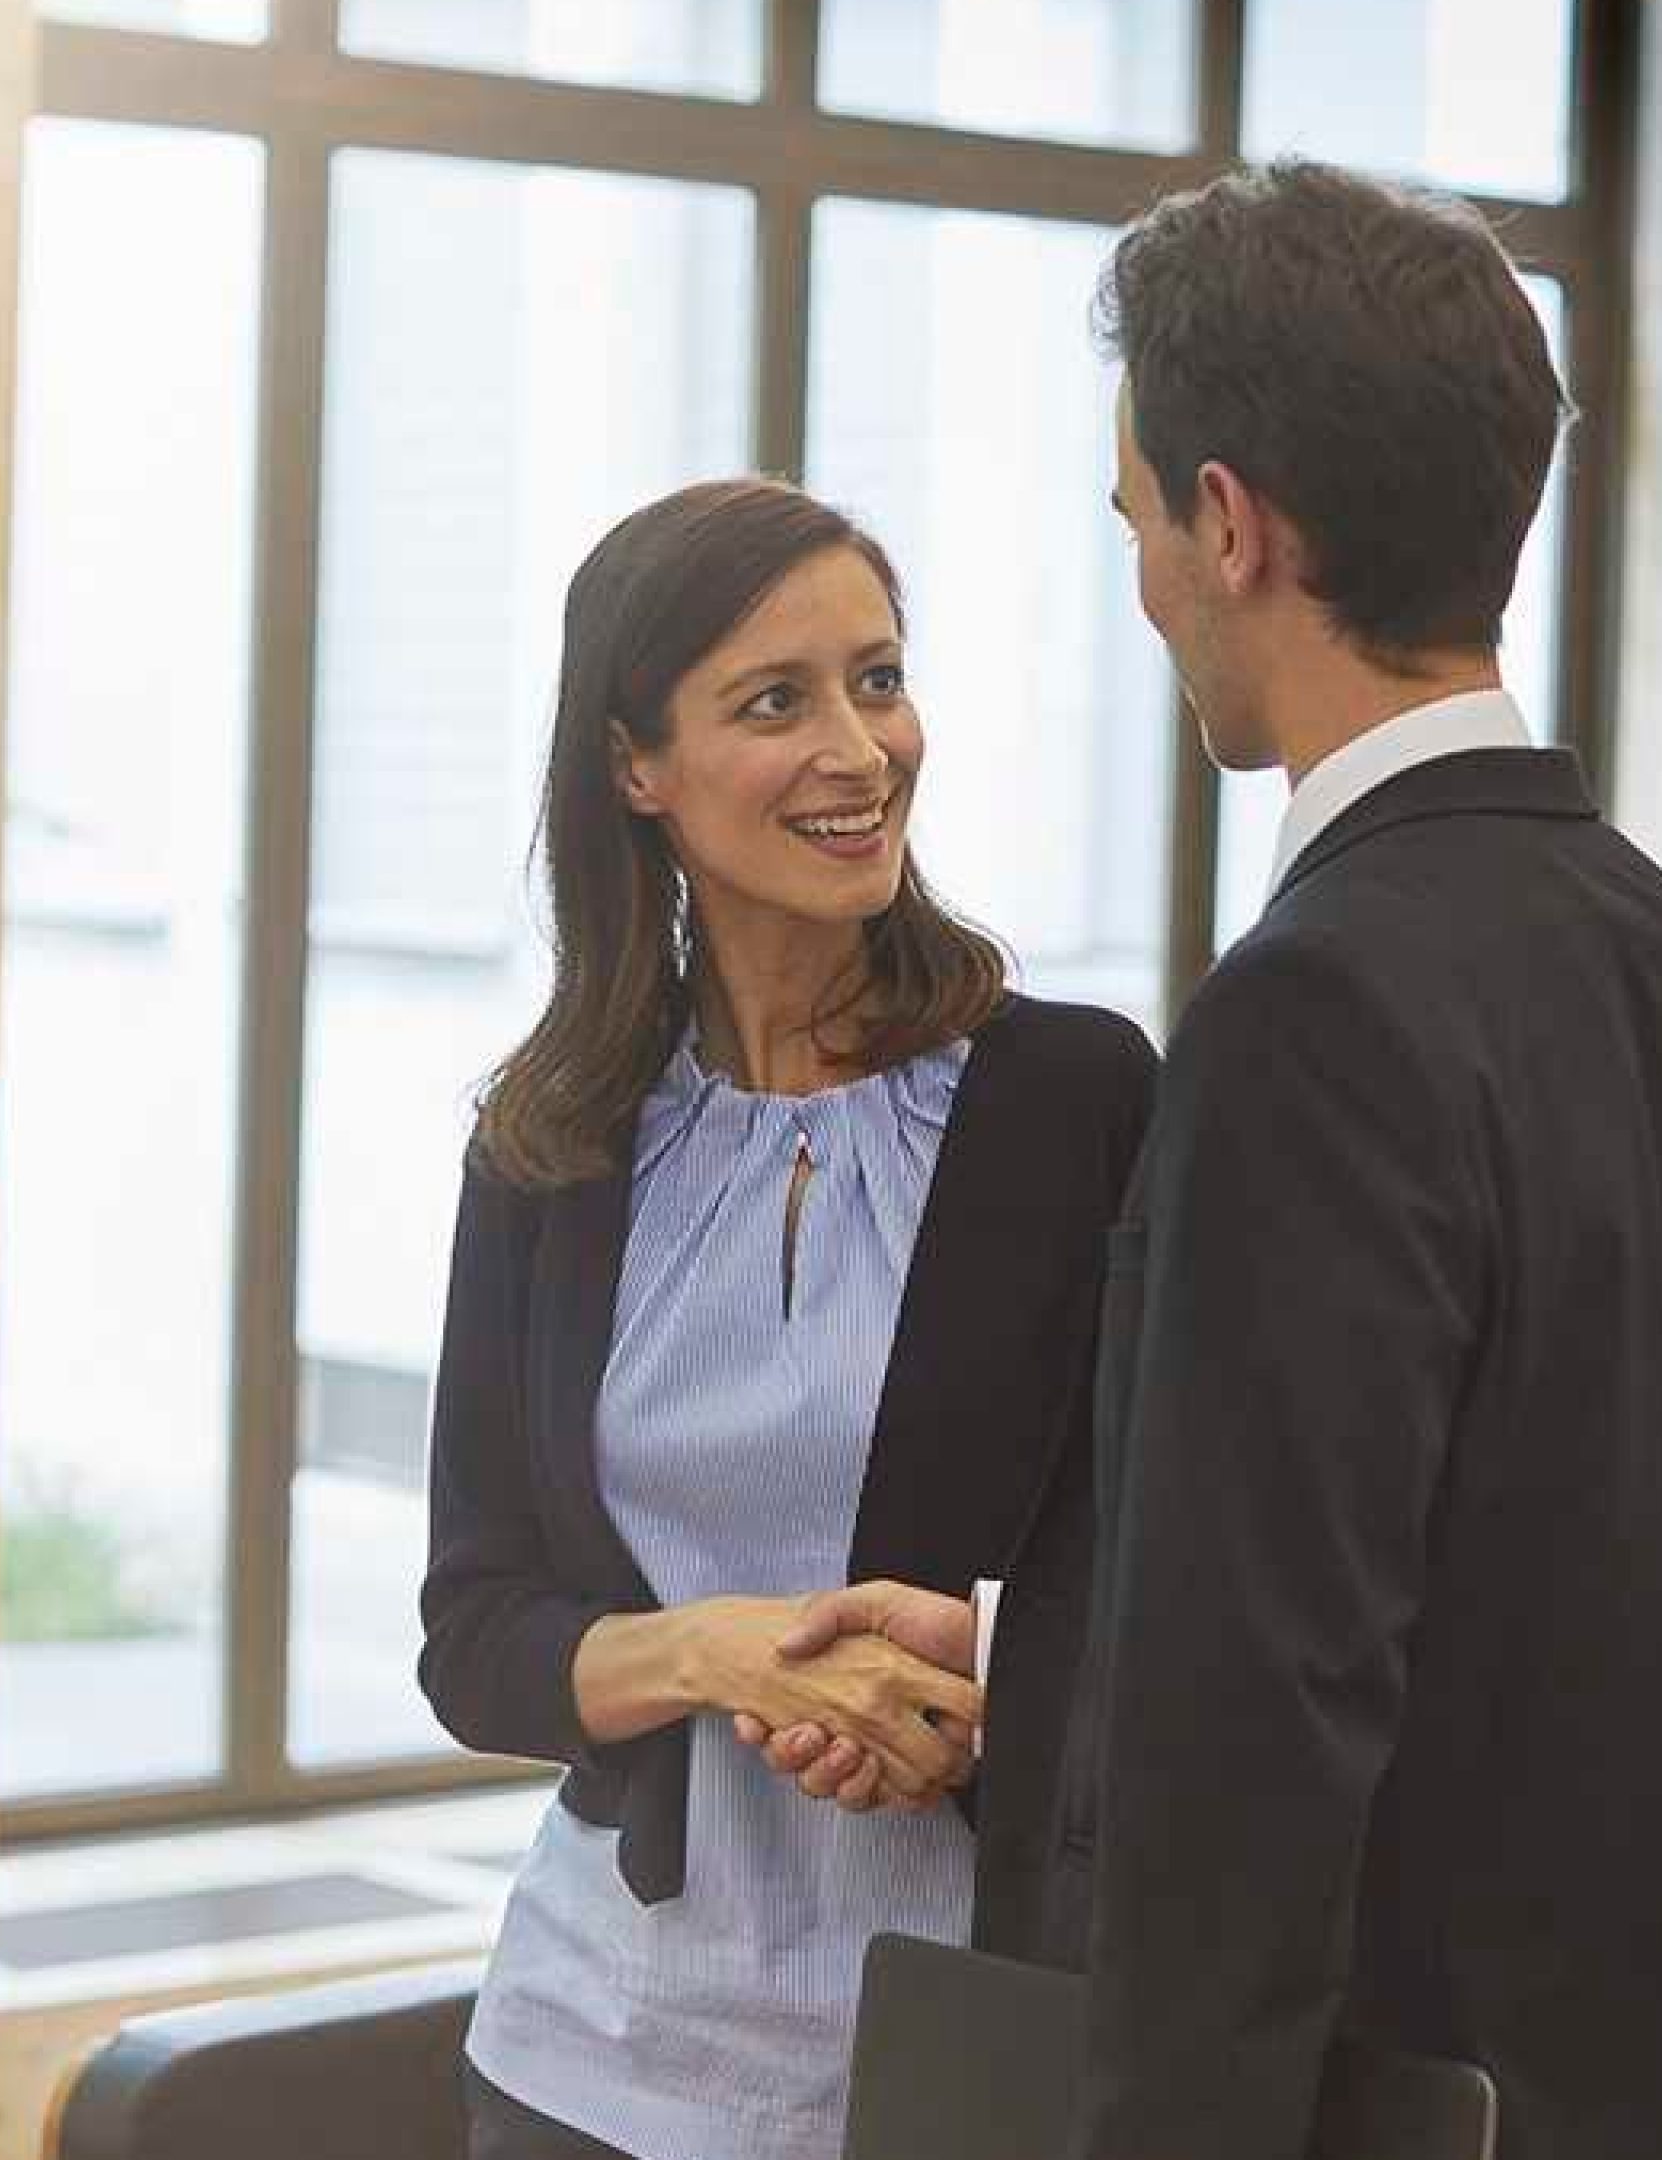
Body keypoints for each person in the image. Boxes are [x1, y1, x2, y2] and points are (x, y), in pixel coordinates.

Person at [765, 163, 1662, 2160]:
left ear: (1230, 524)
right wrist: (1054, 1645)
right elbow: (1530, 1569)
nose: (1148, 577)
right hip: (1615, 2077)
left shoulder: (1310, 1014)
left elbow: (1263, 1722)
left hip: (1364, 2091)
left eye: (1144, 518)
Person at [415, 477, 1157, 2160]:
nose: (860, 747)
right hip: (583, 2056)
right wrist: (710, 1649)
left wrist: (987, 1690)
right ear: (635, 768)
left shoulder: (1077, 1101)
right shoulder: (551, 1143)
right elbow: (474, 1634)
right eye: (777, 702)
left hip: (958, 2064)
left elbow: (1176, 1568)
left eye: (878, 680)